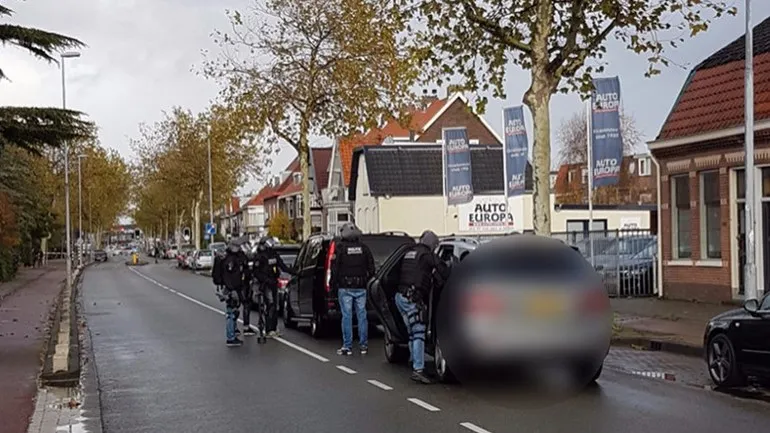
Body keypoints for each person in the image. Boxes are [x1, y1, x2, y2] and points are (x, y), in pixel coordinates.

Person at [395, 230, 450, 384]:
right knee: (419, 332)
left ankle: (415, 363)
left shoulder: (410, 252)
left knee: (412, 334)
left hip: (400, 297)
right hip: (412, 299)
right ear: (432, 244)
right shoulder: (427, 255)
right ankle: (418, 370)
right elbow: (444, 271)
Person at [330, 223, 375, 356]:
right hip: (361, 287)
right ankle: (363, 345)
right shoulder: (364, 248)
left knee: (347, 316)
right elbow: (371, 268)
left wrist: (333, 285)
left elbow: (335, 269)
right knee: (362, 316)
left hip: (345, 287)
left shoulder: (340, 248)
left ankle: (347, 346)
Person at [252, 236, 293, 338]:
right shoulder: (260, 256)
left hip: (274, 282)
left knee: (275, 306)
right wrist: (265, 280)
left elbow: (282, 266)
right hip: (266, 284)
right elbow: (256, 272)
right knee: (270, 305)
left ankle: (273, 328)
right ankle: (269, 329)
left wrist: (293, 271)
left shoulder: (273, 254)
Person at [217, 241, 249, 346]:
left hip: (235, 288)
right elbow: (228, 277)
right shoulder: (230, 260)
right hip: (231, 289)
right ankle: (230, 337)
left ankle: (233, 334)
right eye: (237, 247)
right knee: (231, 313)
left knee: (234, 311)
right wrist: (232, 289)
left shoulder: (234, 258)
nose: (239, 248)